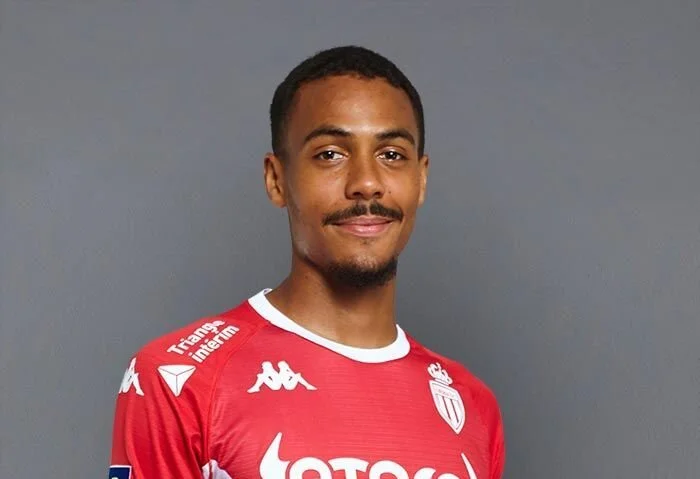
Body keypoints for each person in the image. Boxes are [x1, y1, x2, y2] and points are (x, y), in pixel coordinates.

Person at [109, 45, 505, 479]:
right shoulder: (181, 377)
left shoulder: (471, 404)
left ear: (421, 179)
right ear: (276, 180)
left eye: (391, 155)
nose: (366, 183)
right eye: (330, 154)